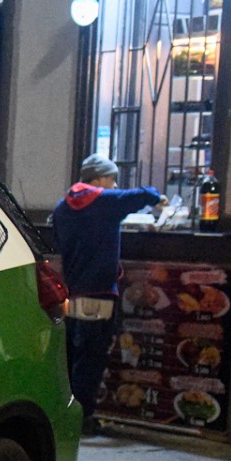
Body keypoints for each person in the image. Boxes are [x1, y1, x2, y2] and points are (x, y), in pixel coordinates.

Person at [51, 155, 162, 435]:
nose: (114, 185)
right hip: (99, 294)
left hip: (73, 294)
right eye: (111, 179)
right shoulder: (106, 203)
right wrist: (159, 197)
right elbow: (142, 195)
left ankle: (66, 414)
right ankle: (82, 419)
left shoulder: (62, 208)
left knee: (73, 356)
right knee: (91, 359)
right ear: (98, 179)